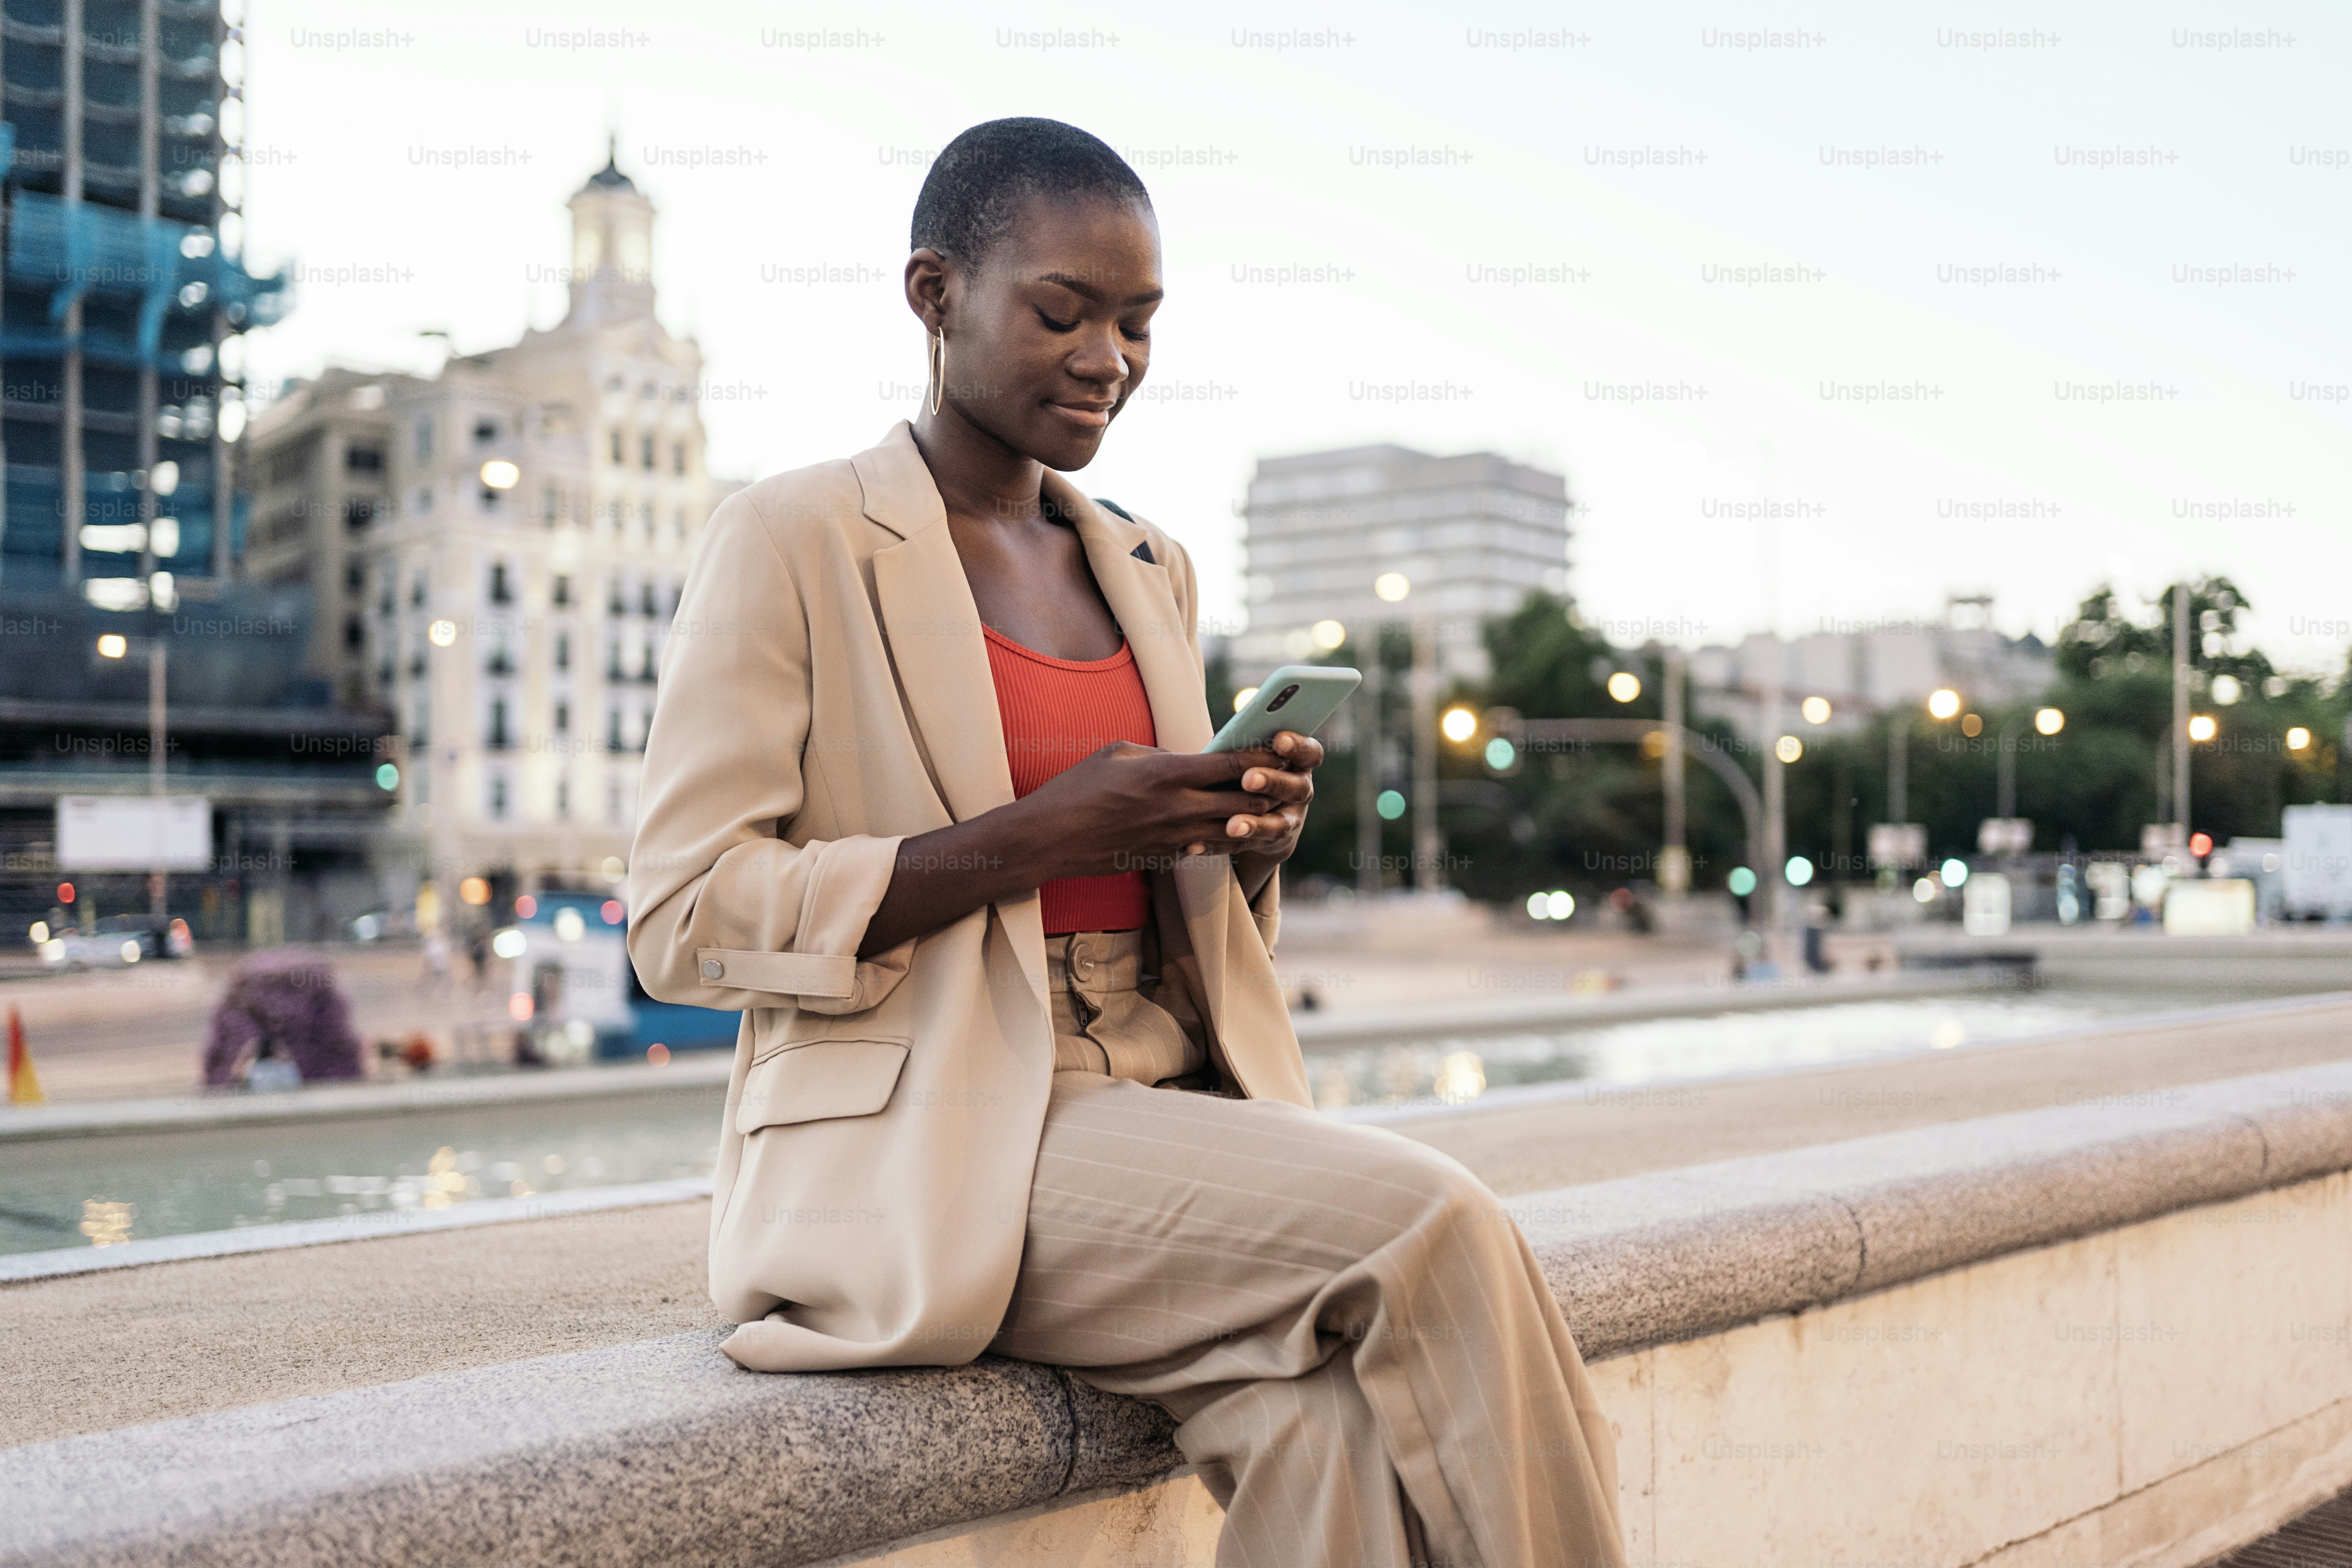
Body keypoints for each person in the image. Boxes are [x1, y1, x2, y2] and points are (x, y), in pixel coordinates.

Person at [628, 118, 1625, 1568]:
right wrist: (1035, 836)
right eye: (1062, 312)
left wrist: (1243, 838)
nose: (1110, 358)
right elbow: (684, 915)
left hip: (1166, 1093)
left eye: (1140, 323)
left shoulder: (1150, 565)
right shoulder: (793, 537)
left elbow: (1174, 898)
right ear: (934, 294)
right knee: (1435, 1227)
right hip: (933, 1137)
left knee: (1330, 1433)